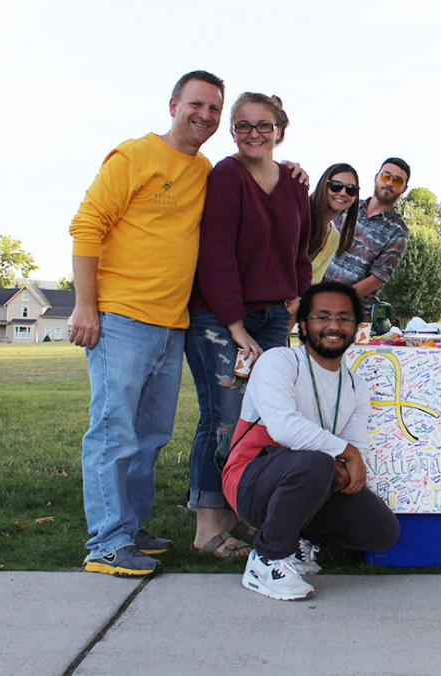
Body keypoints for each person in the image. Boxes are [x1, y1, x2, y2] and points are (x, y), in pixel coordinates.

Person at [69, 70, 225, 576]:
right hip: (120, 318)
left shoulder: (203, 170)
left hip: (171, 323)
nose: (205, 116)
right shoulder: (134, 155)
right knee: (113, 434)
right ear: (174, 104)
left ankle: (130, 527)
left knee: (150, 436)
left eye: (214, 109)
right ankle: (107, 545)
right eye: (196, 104)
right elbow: (87, 224)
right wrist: (85, 306)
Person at [184, 93, 312, 559]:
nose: (254, 133)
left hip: (275, 315)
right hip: (220, 318)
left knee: (260, 419)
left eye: (263, 124)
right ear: (232, 132)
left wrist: (296, 297)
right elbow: (214, 254)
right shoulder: (226, 176)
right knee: (221, 419)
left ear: (280, 128)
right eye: (242, 126)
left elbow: (300, 248)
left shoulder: (295, 184)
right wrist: (236, 326)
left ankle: (239, 515)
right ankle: (206, 526)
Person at [221, 281, 400, 600]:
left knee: (382, 530)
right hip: (248, 479)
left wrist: (349, 461)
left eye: (344, 318)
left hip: (309, 478)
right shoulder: (279, 361)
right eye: (323, 316)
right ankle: (267, 559)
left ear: (356, 329)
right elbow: (284, 428)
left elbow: (357, 446)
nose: (334, 325)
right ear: (303, 325)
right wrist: (345, 454)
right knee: (316, 464)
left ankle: (297, 540)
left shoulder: (356, 386)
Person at [324, 158, 411, 307]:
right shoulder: (348, 206)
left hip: (354, 310)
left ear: (403, 189)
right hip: (315, 296)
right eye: (386, 176)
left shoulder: (398, 231)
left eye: (397, 181)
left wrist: (335, 300)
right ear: (377, 177)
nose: (389, 183)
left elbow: (376, 279)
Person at [308, 163, 360, 284]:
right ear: (323, 185)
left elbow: (312, 282)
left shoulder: (334, 237)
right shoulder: (300, 214)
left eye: (351, 189)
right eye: (336, 186)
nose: (343, 193)